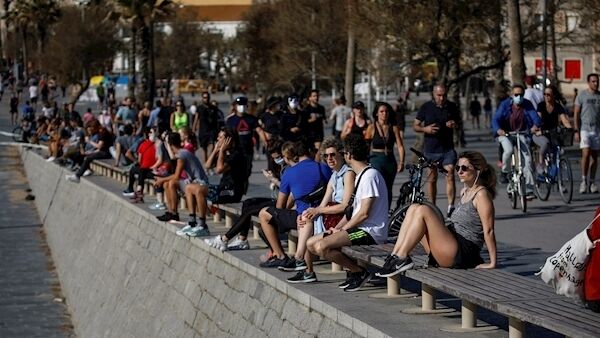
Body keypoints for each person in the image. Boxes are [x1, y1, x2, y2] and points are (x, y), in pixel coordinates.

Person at [375, 151, 497, 277]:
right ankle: (396, 255)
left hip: (462, 252)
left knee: (424, 210)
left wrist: (492, 262)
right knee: (414, 207)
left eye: (464, 168)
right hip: (450, 244)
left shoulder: (481, 195)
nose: (459, 171)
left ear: (478, 170)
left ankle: (402, 257)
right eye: (457, 167)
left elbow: (489, 231)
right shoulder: (464, 191)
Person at [307, 134, 388, 292]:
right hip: (358, 229)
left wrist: (343, 230)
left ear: (349, 155)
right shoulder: (361, 177)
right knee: (311, 243)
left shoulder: (370, 176)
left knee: (322, 246)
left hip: (370, 232)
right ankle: (354, 272)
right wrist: (337, 228)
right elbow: (352, 212)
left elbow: (364, 214)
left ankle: (358, 272)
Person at [285, 137, 355, 283]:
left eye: (332, 155)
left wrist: (318, 211)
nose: (329, 158)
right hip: (331, 215)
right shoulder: (334, 175)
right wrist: (309, 212)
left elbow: (345, 205)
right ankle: (304, 266)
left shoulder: (348, 173)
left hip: (342, 219)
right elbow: (321, 205)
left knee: (309, 221)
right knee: (306, 217)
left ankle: (302, 263)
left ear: (341, 154)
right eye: (326, 155)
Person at [257, 141, 332, 268]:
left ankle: (280, 256)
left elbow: (280, 206)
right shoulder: (323, 168)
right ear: (311, 152)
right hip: (322, 214)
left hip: (301, 218)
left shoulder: (289, 173)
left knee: (263, 213)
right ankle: (299, 260)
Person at [204, 139, 286, 252]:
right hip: (278, 199)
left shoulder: (289, 167)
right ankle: (242, 239)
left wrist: (273, 180)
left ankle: (224, 239)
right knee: (248, 203)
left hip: (284, 203)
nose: (275, 160)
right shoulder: (281, 166)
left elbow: (288, 190)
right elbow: (208, 165)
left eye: (277, 157)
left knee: (250, 211)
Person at [413, 83, 460, 216]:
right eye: (439, 95)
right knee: (432, 178)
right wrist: (425, 129)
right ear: (434, 94)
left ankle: (451, 206)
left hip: (447, 148)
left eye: (444, 95)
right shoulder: (426, 107)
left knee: (450, 173)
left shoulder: (451, 106)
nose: (442, 98)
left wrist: (453, 124)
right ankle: (432, 207)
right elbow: (415, 125)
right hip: (431, 148)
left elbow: (457, 121)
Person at [493, 84, 542, 198]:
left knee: (528, 160)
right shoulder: (505, 104)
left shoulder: (527, 104)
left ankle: (529, 190)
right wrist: (498, 129)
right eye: (516, 95)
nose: (518, 97)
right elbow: (496, 118)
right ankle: (505, 172)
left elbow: (536, 118)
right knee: (508, 150)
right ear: (511, 95)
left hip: (522, 133)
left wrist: (535, 126)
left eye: (521, 95)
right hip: (506, 133)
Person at [154, 132, 208, 224]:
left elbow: (176, 176)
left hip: (200, 182)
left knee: (171, 182)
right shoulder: (182, 152)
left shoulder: (182, 155)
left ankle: (174, 213)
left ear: (170, 145)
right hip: (192, 181)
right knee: (167, 183)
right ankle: (171, 211)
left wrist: (161, 180)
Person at [364, 102, 405, 207]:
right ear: (377, 114)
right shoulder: (372, 127)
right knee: (378, 187)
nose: (384, 114)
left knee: (388, 188)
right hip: (376, 159)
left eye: (386, 111)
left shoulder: (393, 128)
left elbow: (400, 146)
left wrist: (401, 161)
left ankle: (386, 212)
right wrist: (364, 162)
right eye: (381, 111)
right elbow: (366, 146)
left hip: (390, 161)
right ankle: (376, 210)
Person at [533, 85, 572, 172]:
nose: (546, 96)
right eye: (544, 94)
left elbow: (564, 120)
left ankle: (558, 178)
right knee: (545, 143)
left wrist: (570, 128)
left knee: (557, 150)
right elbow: (538, 119)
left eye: (548, 94)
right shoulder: (541, 106)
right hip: (540, 133)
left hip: (553, 133)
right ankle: (541, 163)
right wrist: (538, 130)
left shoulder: (558, 106)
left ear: (553, 95)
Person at [226, 96, 260, 191]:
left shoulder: (251, 119)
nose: (242, 107)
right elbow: (227, 134)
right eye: (240, 105)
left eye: (244, 105)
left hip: (248, 149)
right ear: (235, 106)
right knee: (236, 169)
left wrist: (266, 141)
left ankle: (244, 183)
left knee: (247, 169)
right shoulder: (230, 120)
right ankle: (237, 187)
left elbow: (259, 130)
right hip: (235, 150)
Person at [574, 73, 600, 194]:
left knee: (595, 158)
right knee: (586, 153)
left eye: (597, 81)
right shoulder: (582, 95)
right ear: (588, 82)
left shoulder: (599, 96)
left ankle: (592, 181)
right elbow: (576, 114)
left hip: (597, 129)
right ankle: (583, 180)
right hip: (585, 128)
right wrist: (576, 130)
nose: (596, 83)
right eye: (593, 81)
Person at [192, 92, 219, 164]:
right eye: (204, 97)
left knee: (212, 146)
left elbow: (216, 120)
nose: (206, 99)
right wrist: (193, 129)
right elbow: (196, 119)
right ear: (202, 98)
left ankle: (210, 162)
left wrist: (218, 130)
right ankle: (206, 164)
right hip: (203, 131)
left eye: (207, 97)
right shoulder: (199, 108)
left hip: (212, 130)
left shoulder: (214, 108)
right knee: (204, 150)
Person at [305, 89, 326, 161]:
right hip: (308, 134)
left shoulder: (321, 108)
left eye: (317, 96)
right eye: (314, 96)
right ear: (310, 98)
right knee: (310, 153)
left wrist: (324, 120)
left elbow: (324, 118)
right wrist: (310, 120)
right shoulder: (306, 109)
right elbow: (303, 123)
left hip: (318, 133)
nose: (316, 98)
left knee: (318, 152)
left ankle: (317, 167)